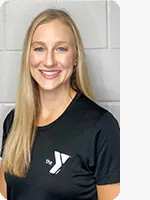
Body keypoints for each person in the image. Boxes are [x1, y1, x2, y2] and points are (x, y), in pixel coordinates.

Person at [0, 8, 120, 200]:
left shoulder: (102, 127)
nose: (49, 61)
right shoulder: (14, 121)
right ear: (28, 56)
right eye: (39, 48)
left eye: (61, 49)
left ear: (75, 58)